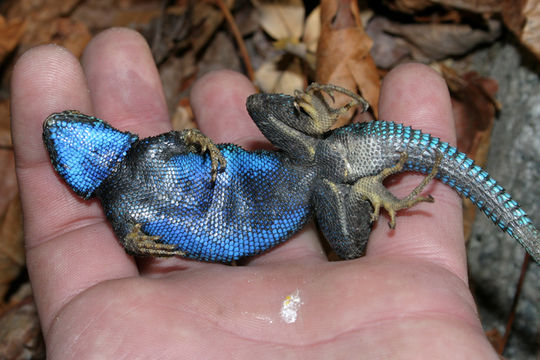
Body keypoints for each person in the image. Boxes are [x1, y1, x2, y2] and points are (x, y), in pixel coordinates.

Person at [10, 28, 498, 358]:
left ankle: (338, 149)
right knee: (348, 250)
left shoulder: (144, 155)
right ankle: (364, 181)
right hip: (304, 194)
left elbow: (183, 144)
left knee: (256, 106)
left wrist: (197, 143)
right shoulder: (120, 209)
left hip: (299, 160)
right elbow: (139, 237)